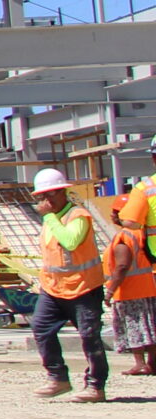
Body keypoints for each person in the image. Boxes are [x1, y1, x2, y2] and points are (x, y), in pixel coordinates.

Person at [30, 168, 108, 402]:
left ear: (63, 192)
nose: (46, 200)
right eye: (42, 196)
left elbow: (71, 242)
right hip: (54, 289)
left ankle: (95, 386)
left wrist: (49, 217)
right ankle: (57, 377)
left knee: (89, 337)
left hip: (83, 288)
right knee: (41, 328)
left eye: (51, 194)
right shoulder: (51, 221)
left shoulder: (77, 215)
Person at [106, 183, 156, 378]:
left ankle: (139, 363)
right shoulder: (142, 233)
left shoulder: (123, 237)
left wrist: (110, 290)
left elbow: (121, 266)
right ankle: (152, 363)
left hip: (129, 291)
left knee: (134, 326)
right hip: (147, 288)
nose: (111, 215)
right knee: (149, 326)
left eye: (114, 211)